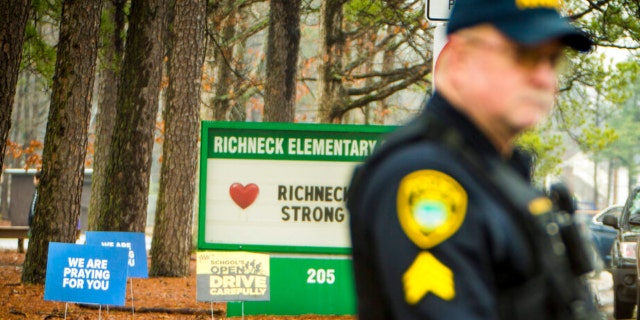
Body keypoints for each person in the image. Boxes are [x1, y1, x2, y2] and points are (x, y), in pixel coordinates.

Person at [346, 0, 598, 318]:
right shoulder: (425, 177)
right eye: (524, 56)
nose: (544, 79)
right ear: (459, 60)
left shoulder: (494, 171)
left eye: (552, 60)